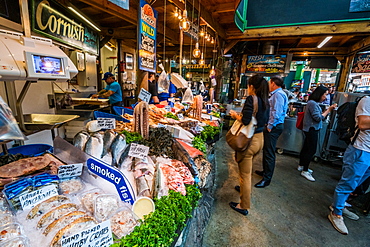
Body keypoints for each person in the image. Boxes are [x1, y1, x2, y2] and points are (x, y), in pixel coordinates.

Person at [328, 96, 370, 235]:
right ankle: (336, 213)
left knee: (357, 183)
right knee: (348, 183)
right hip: (360, 149)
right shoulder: (367, 100)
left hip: (368, 152)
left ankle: (339, 204)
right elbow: (363, 123)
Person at [229, 75, 270, 215]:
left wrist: (235, 115)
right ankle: (243, 189)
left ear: (252, 87)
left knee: (245, 174)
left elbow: (246, 121)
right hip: (259, 139)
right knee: (247, 170)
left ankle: (243, 206)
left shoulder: (251, 99)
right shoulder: (266, 100)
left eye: (248, 86)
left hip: (248, 140)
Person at [298, 85, 337, 181]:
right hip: (311, 129)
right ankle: (305, 170)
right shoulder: (312, 103)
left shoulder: (313, 103)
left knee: (306, 147)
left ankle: (302, 165)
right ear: (320, 94)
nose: (325, 97)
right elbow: (318, 117)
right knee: (311, 150)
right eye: (325, 94)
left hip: (310, 128)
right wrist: (328, 110)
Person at [255, 76, 288, 188]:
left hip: (274, 127)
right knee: (267, 150)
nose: (268, 85)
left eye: (269, 83)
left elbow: (277, 112)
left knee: (269, 153)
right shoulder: (276, 94)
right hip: (273, 126)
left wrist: (270, 125)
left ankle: (267, 179)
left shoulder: (278, 94)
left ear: (273, 84)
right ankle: (265, 172)